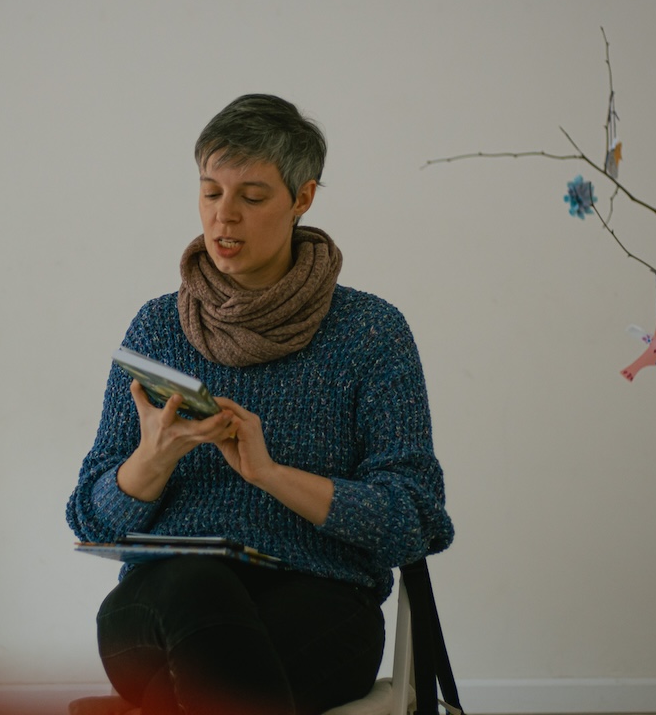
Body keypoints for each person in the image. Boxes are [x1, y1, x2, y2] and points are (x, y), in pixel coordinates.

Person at [67, 94, 455, 715]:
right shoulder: (157, 328)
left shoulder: (371, 332)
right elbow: (90, 518)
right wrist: (152, 459)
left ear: (302, 198)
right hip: (158, 604)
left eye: (252, 197)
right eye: (210, 193)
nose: (224, 218)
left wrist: (270, 475)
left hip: (320, 602)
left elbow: (415, 519)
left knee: (221, 675)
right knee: (197, 587)